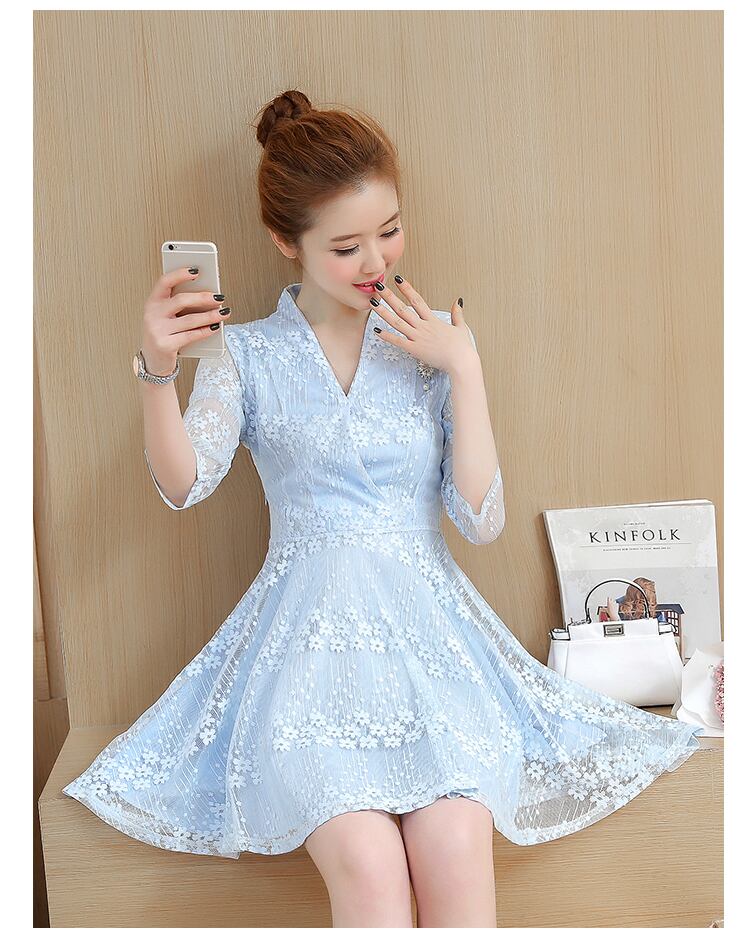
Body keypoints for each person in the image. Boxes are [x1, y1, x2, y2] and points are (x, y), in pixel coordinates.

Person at [62, 90, 704, 928]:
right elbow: (185, 484)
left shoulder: (432, 339)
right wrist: (157, 370)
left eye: (390, 231)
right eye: (346, 246)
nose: (376, 260)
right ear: (285, 243)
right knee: (368, 869)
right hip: (306, 669)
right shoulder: (246, 357)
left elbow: (479, 520)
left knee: (457, 846)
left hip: (434, 659)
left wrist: (464, 369)